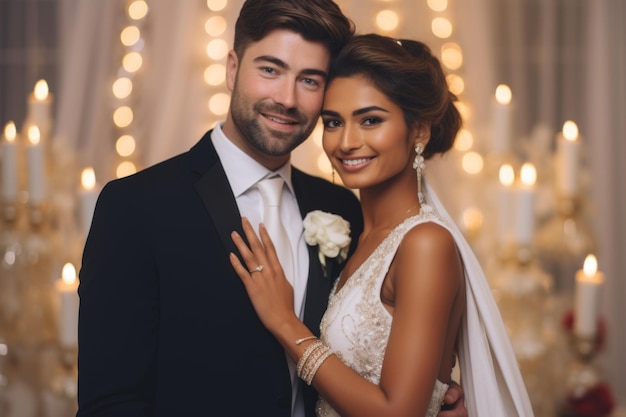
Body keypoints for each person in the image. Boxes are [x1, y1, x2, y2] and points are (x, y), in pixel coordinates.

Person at [76, 1, 468, 416]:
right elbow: (111, 404)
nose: (287, 98)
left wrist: (432, 396)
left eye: (310, 80)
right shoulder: (137, 207)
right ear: (232, 68)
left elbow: (378, 357)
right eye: (270, 69)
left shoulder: (344, 209)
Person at [229, 33, 535, 416]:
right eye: (334, 122)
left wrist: (285, 323)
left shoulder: (426, 242)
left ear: (419, 130)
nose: (346, 142)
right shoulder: (358, 232)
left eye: (370, 120)